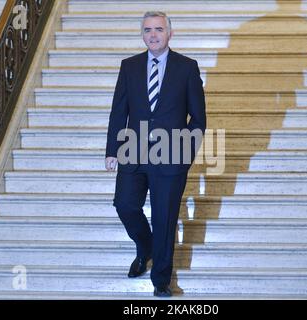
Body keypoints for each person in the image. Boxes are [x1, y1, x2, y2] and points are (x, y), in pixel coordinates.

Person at [105, 11, 206, 297]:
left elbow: (198, 119)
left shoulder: (187, 68)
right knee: (125, 205)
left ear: (169, 33)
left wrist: (185, 152)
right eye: (148, 30)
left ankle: (161, 281)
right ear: (142, 34)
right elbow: (119, 111)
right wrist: (113, 150)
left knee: (164, 218)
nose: (153, 35)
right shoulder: (130, 66)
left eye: (159, 29)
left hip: (171, 155)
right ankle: (145, 245)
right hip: (132, 152)